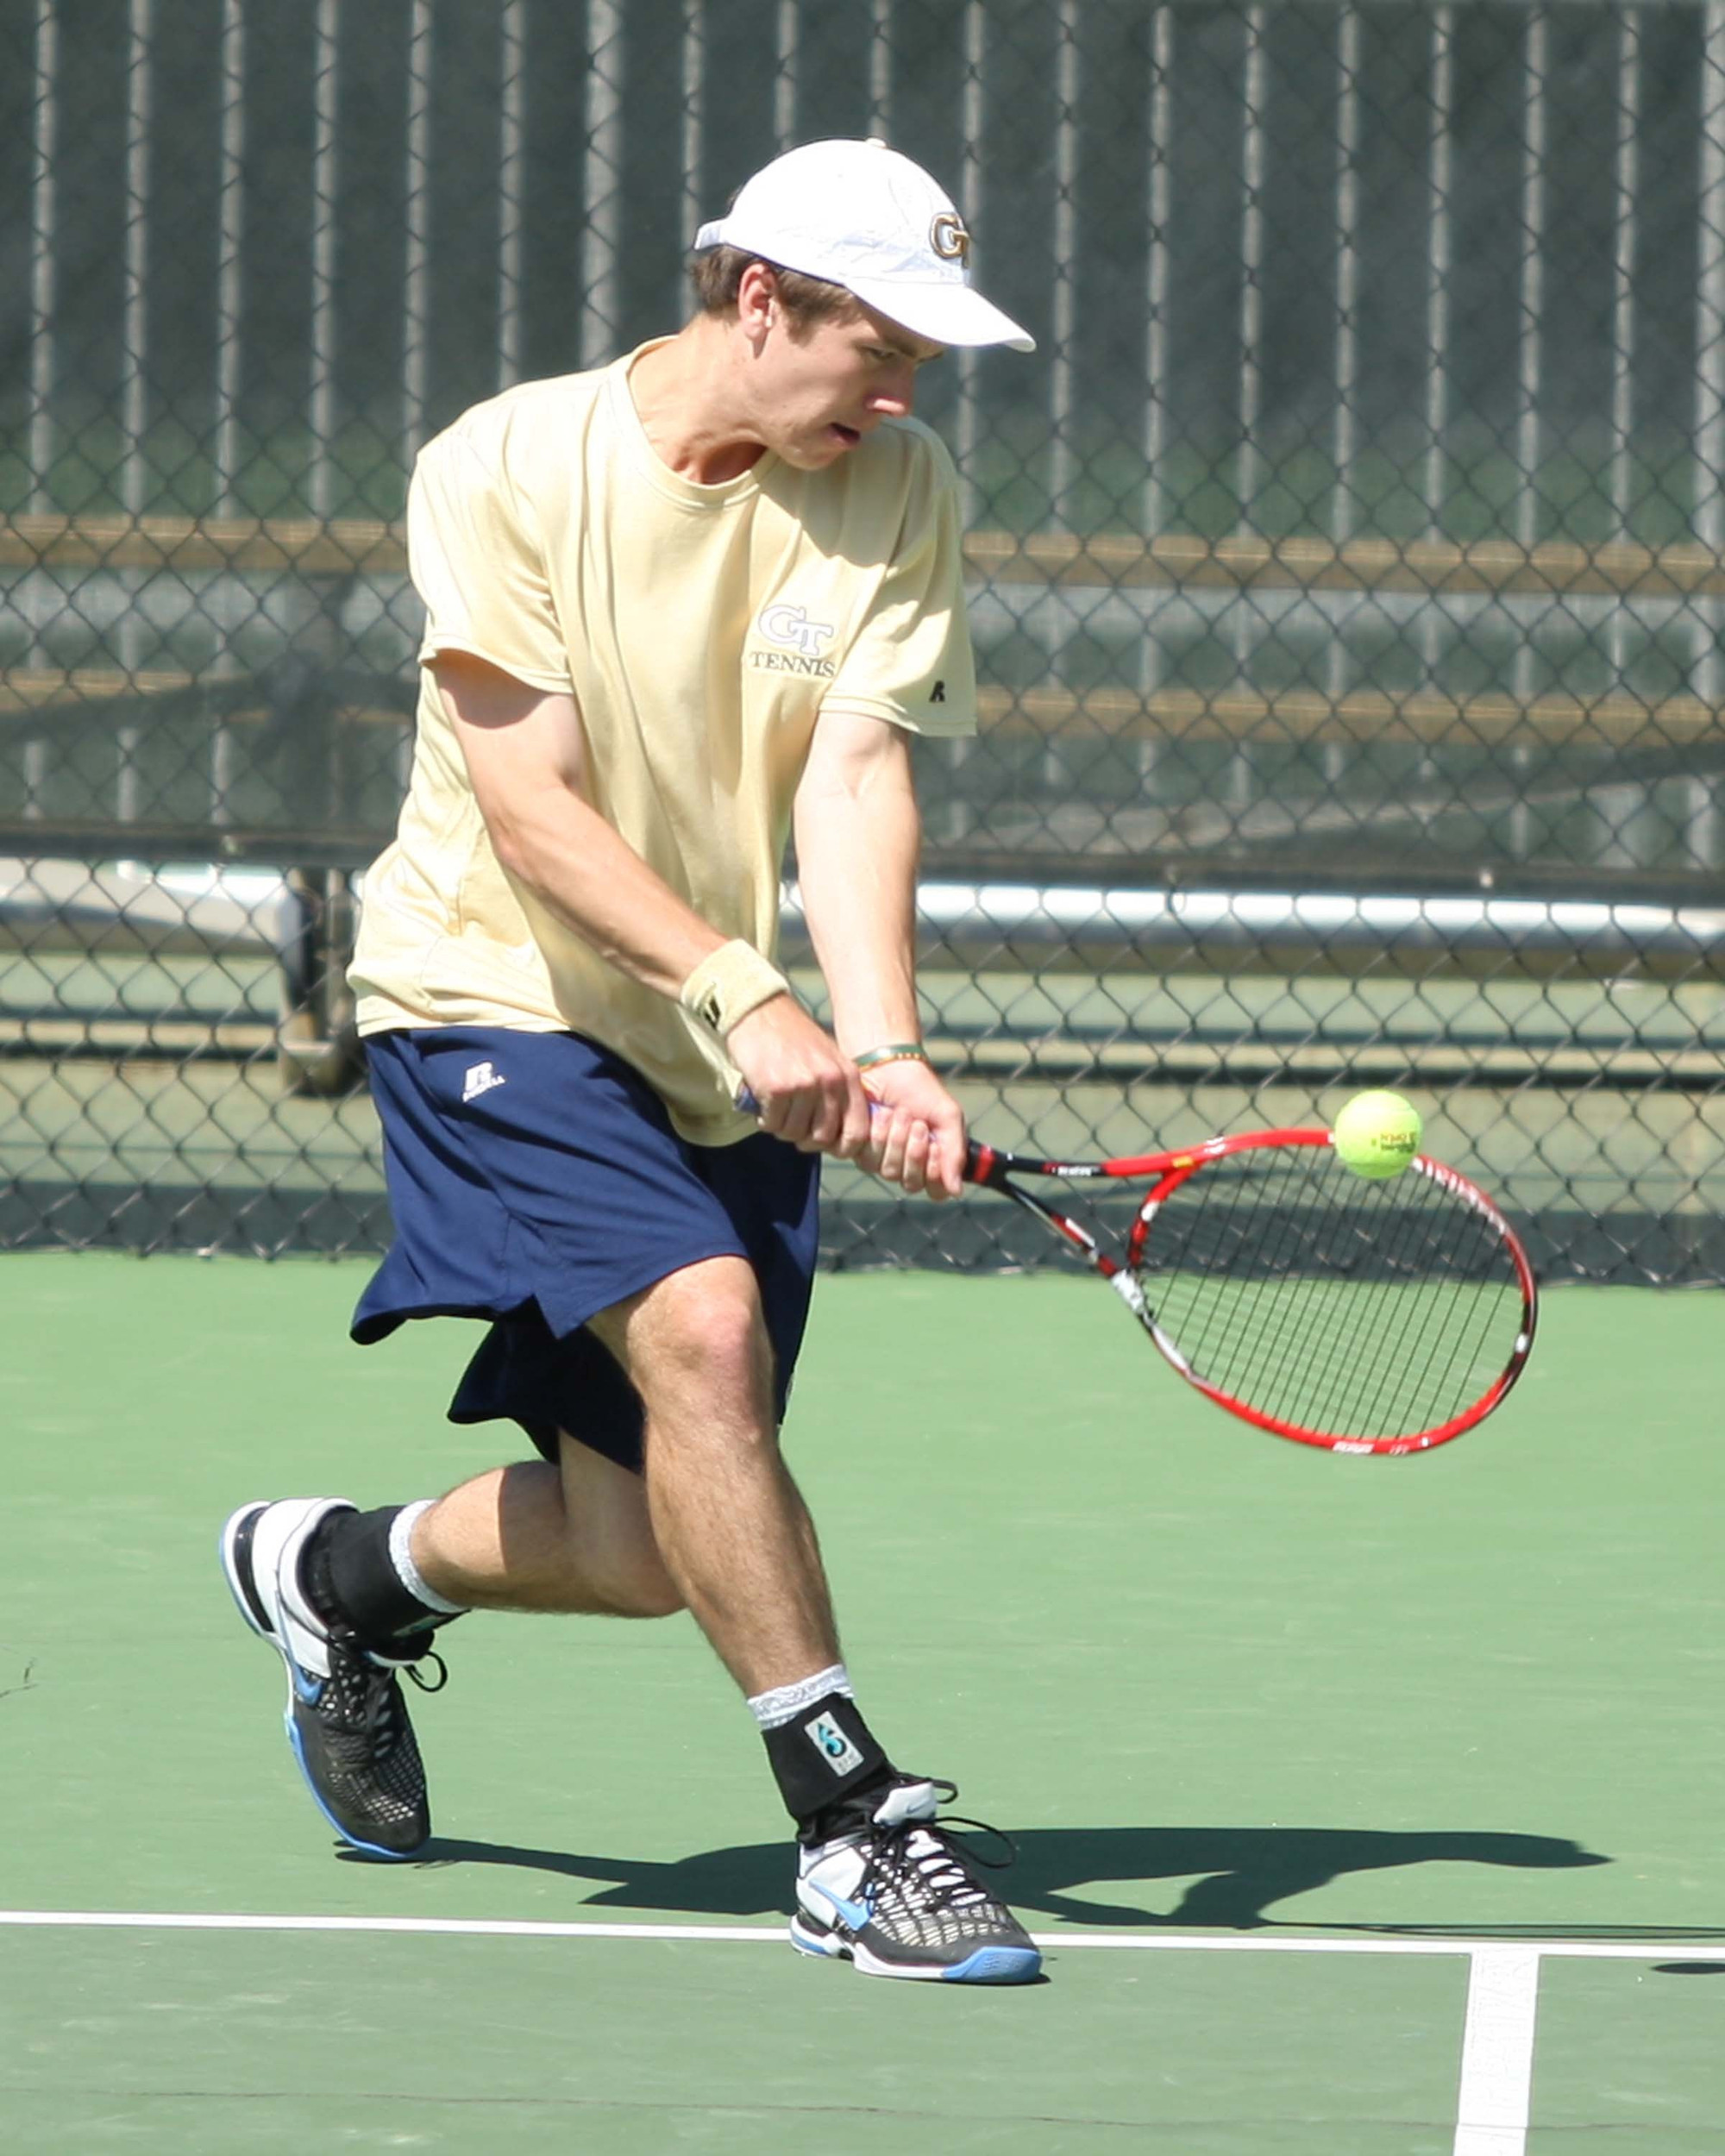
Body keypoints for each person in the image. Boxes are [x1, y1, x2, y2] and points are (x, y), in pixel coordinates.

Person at [220, 138, 1041, 1986]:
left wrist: (884, 1041)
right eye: (880, 347)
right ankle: (851, 1828)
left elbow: (854, 776)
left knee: (649, 1540)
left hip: (699, 1040)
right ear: (759, 300)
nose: (903, 391)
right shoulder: (505, 463)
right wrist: (750, 992)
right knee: (706, 1334)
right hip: (489, 990)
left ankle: (331, 1576)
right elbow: (529, 806)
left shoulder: (897, 483)